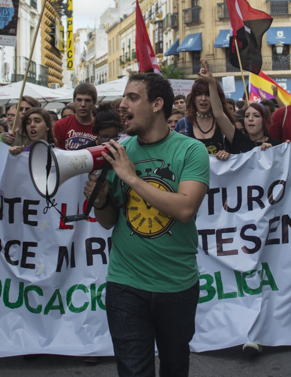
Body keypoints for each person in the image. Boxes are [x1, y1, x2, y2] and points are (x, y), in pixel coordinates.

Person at [82, 73, 209, 377]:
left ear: (157, 104)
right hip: (125, 283)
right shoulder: (119, 152)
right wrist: (101, 200)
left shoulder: (191, 151)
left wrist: (131, 178)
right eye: (124, 97)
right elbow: (108, 221)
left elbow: (185, 208)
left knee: (174, 367)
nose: (122, 105)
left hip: (176, 284)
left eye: (133, 98)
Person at [199, 60, 280, 161]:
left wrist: (272, 152)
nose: (250, 119)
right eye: (247, 116)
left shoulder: (276, 144)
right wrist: (211, 81)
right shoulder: (238, 139)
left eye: (256, 115)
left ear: (265, 120)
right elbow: (219, 114)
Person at [175, 77, 235, 155]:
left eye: (208, 94)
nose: (203, 98)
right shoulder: (183, 123)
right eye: (199, 94)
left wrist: (228, 155)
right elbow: (176, 154)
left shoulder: (226, 123)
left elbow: (238, 151)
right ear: (193, 98)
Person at [53, 83, 97, 150]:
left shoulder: (100, 126)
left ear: (94, 102)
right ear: (73, 101)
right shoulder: (60, 125)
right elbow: (56, 152)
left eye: (87, 100)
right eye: (79, 100)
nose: (83, 104)